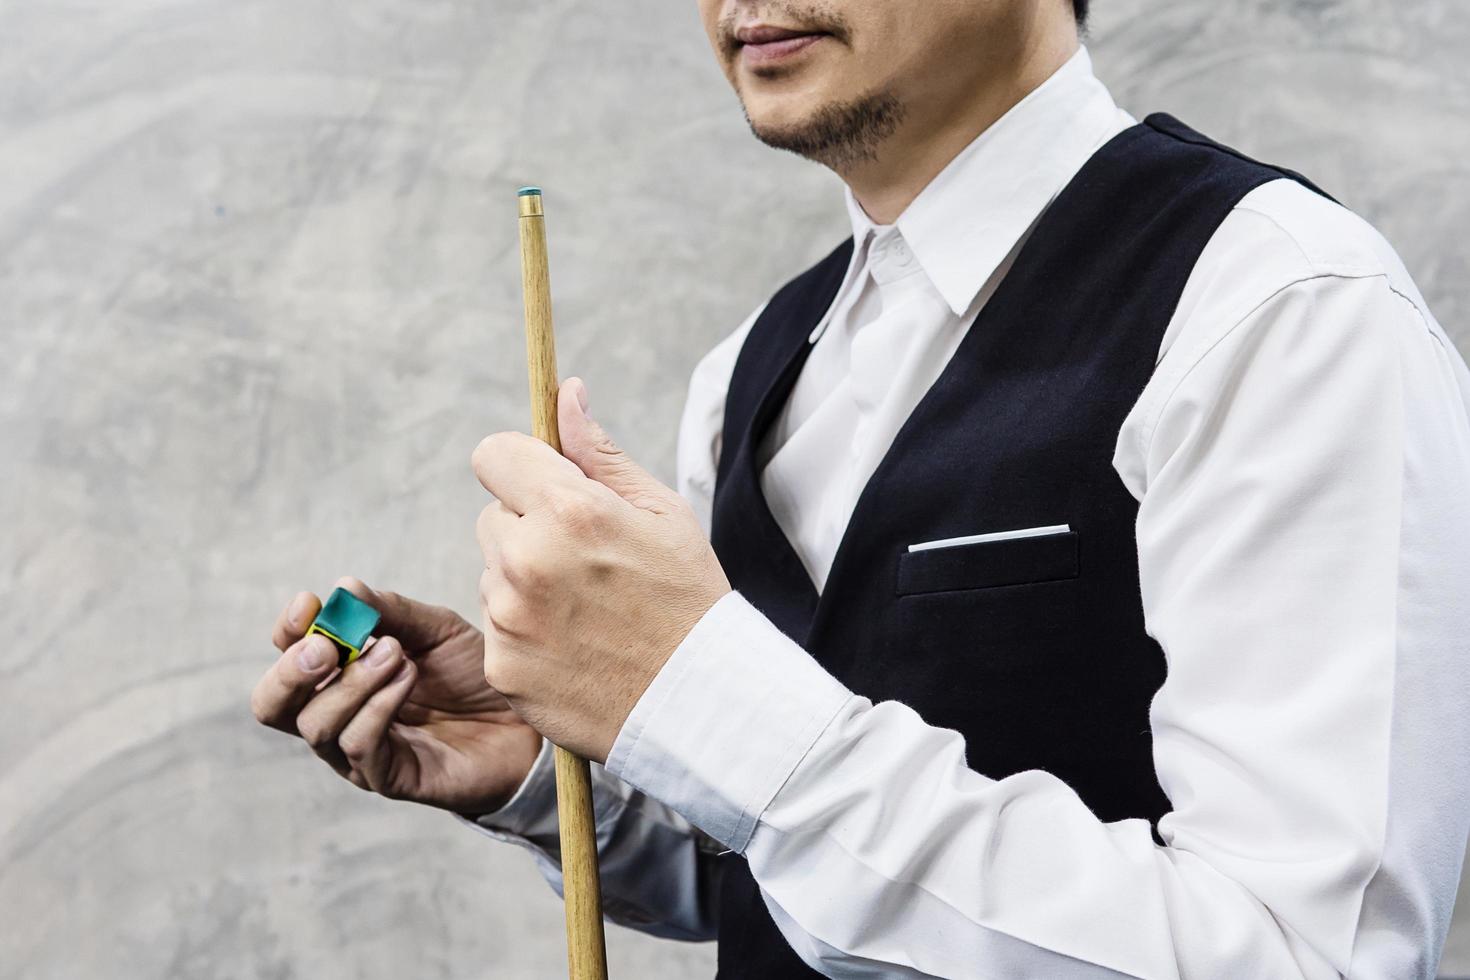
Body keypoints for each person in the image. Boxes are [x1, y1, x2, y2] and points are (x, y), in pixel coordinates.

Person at [251, 0, 1470, 976]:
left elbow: (1307, 952)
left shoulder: (1279, 309)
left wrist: (707, 690)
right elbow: (783, 884)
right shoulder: (752, 370)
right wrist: (551, 760)